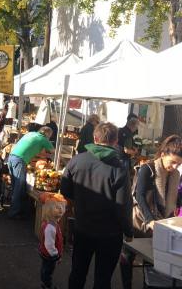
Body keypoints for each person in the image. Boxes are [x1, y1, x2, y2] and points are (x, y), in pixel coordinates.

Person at [60, 122, 133, 289]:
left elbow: (65, 190)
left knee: (78, 272)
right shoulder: (119, 168)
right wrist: (128, 231)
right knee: (103, 278)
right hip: (110, 234)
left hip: (83, 227)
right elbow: (123, 205)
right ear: (116, 142)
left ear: (94, 138)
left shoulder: (76, 160)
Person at [119, 134, 182, 289]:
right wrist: (150, 220)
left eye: (178, 164)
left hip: (160, 223)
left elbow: (175, 198)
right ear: (162, 154)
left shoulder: (175, 175)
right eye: (172, 162)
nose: (174, 167)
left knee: (152, 258)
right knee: (128, 256)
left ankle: (146, 285)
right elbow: (138, 196)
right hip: (140, 221)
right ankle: (127, 285)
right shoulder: (147, 169)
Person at [7, 126, 54, 218]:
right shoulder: (43, 139)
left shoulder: (31, 134)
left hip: (12, 157)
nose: (50, 138)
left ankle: (14, 209)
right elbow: (53, 151)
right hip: (20, 160)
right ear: (47, 134)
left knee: (14, 185)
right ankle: (14, 213)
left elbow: (35, 150)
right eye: (50, 136)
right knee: (19, 187)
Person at [39, 193, 67, 289]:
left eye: (62, 207)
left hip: (48, 254)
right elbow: (49, 245)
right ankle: (46, 285)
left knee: (46, 269)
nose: (60, 209)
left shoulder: (53, 223)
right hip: (50, 255)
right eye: (57, 207)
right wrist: (56, 255)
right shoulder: (50, 227)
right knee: (48, 271)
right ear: (49, 210)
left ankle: (45, 282)